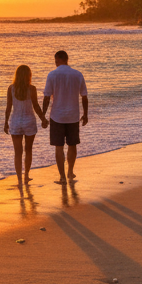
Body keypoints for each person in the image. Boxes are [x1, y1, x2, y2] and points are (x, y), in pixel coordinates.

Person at [41, 49, 88, 184]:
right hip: (73, 115)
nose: (55, 62)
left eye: (55, 60)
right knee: (72, 145)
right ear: (67, 59)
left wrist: (43, 116)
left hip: (57, 116)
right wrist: (86, 114)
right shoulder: (77, 74)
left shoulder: (52, 75)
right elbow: (84, 96)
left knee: (59, 146)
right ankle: (70, 171)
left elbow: (46, 97)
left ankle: (62, 176)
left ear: (58, 59)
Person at [3, 64, 48, 188]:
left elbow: (8, 108)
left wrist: (6, 122)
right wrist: (43, 119)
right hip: (29, 122)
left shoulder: (11, 89)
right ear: (29, 76)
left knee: (17, 152)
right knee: (28, 150)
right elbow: (36, 106)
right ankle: (26, 175)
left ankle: (19, 178)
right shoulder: (31, 89)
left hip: (15, 122)